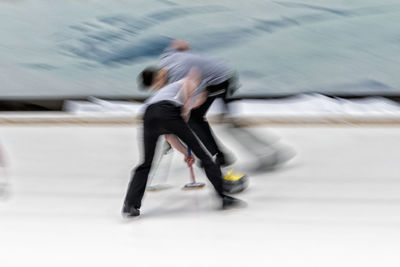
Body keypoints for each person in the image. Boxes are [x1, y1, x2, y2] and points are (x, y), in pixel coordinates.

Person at [122, 68, 241, 217]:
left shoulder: (162, 93)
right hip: (168, 112)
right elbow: (191, 82)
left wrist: (185, 153)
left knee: (145, 163)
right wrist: (187, 109)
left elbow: (169, 137)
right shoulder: (182, 83)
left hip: (148, 116)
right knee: (204, 157)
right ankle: (223, 198)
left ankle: (130, 204)